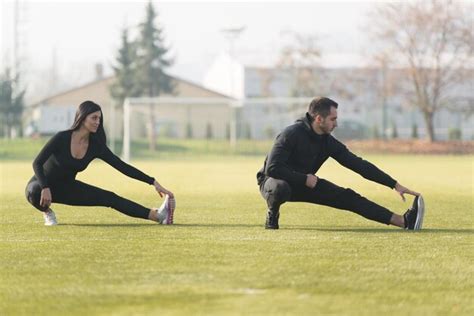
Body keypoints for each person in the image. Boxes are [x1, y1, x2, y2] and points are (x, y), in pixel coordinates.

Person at [256, 97, 425, 230]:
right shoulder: (291, 133)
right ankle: (273, 211)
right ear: (319, 118)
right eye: (333, 119)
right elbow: (273, 168)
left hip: (306, 183)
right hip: (272, 182)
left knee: (348, 197)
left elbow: (358, 165)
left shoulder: (327, 142)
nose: (336, 124)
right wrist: (303, 178)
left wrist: (394, 184)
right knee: (281, 188)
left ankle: (403, 221)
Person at [25, 100, 175, 226]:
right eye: (94, 118)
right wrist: (45, 186)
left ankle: (157, 216)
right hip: (42, 184)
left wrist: (152, 181)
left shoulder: (96, 146)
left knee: (110, 198)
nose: (98, 122)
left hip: (68, 188)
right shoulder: (62, 137)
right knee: (33, 192)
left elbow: (122, 166)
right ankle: (47, 212)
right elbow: (37, 163)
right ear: (83, 117)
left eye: (99, 119)